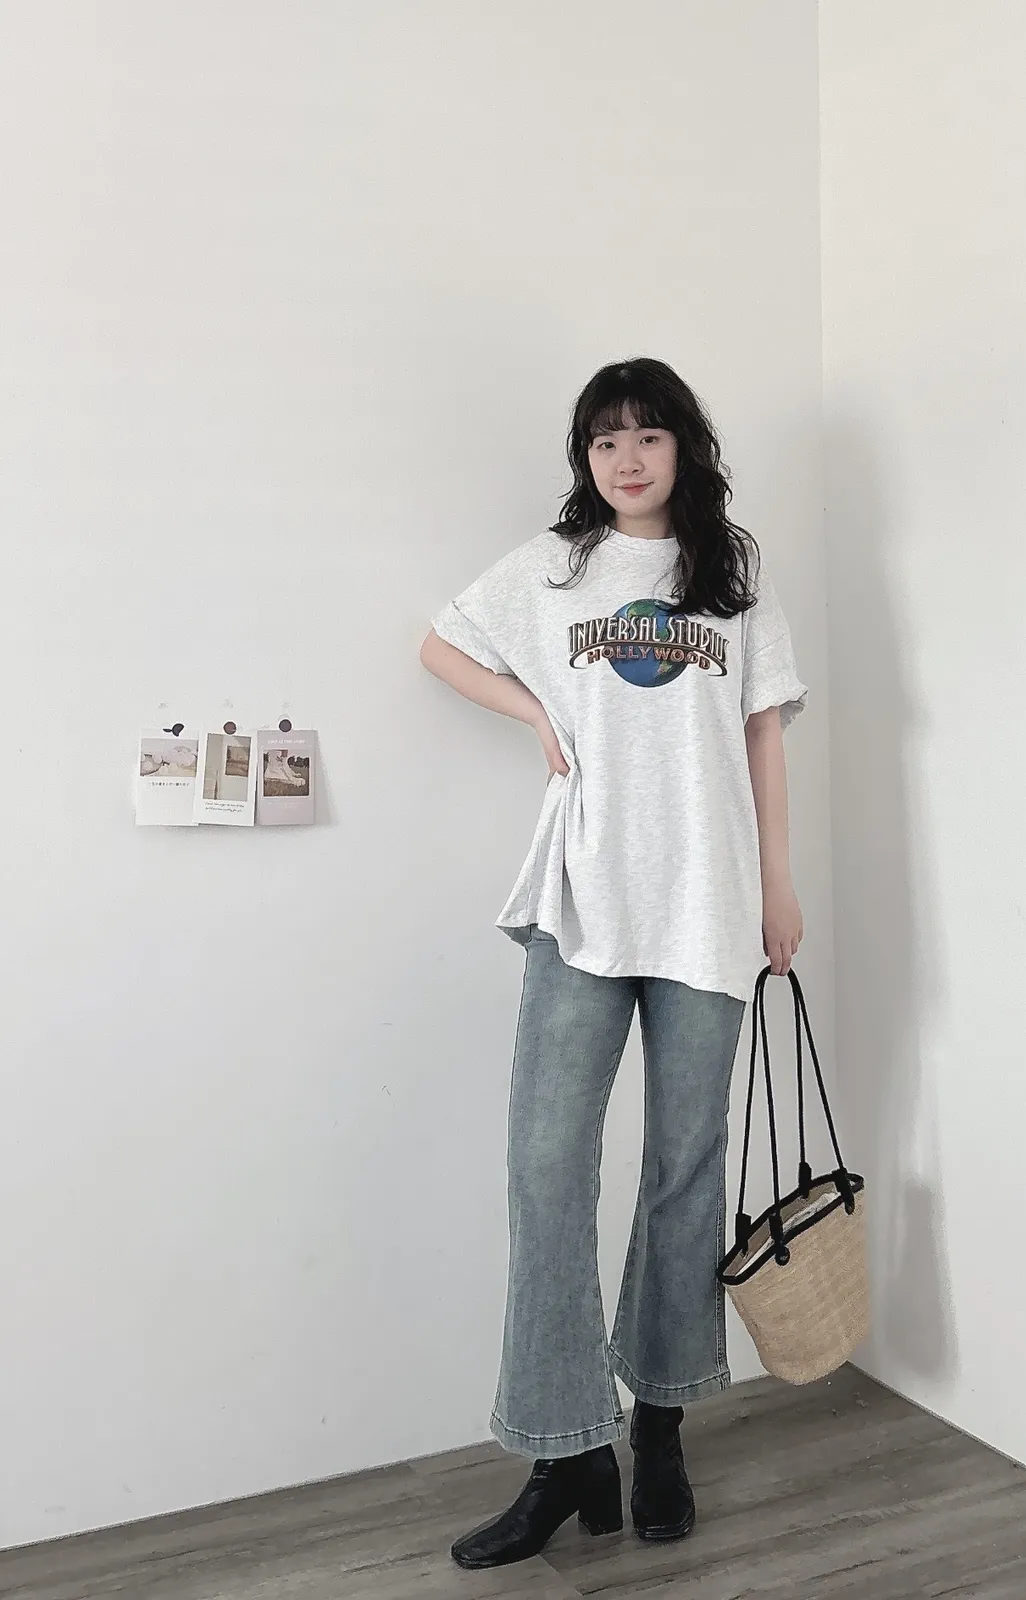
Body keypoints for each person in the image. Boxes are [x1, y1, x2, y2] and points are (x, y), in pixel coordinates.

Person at [419, 357, 807, 1571]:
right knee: (547, 1169)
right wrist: (537, 713)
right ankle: (565, 1448)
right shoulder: (557, 567)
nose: (626, 459)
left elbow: (761, 731)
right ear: (585, 459)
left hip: (708, 902)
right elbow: (440, 646)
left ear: (685, 446)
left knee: (684, 1168)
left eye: (647, 435)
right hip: (585, 898)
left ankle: (661, 1425)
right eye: (604, 440)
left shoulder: (729, 569)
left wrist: (779, 883)